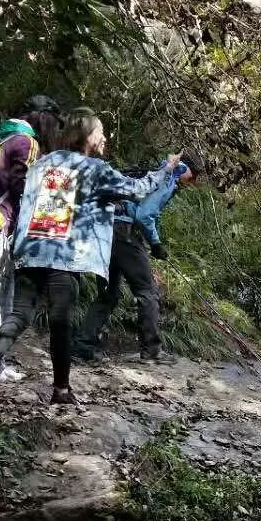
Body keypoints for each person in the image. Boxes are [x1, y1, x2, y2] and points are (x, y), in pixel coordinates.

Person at [0, 108, 181, 406]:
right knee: (60, 322)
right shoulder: (94, 169)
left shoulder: (46, 162)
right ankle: (61, 390)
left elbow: (28, 197)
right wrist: (166, 170)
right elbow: (138, 189)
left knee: (20, 313)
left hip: (32, 249)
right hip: (64, 256)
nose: (105, 137)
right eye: (101, 131)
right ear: (88, 135)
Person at [74, 148, 204, 364]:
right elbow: (144, 215)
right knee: (147, 292)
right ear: (185, 167)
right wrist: (155, 243)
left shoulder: (153, 173)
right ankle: (151, 350)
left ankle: (82, 345)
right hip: (125, 235)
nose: (193, 181)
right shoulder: (167, 178)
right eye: (194, 175)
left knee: (108, 294)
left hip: (106, 232)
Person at [0, 96, 62, 381]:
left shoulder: (1, 139)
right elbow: (22, 188)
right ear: (45, 119)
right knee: (0, 299)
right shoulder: (28, 142)